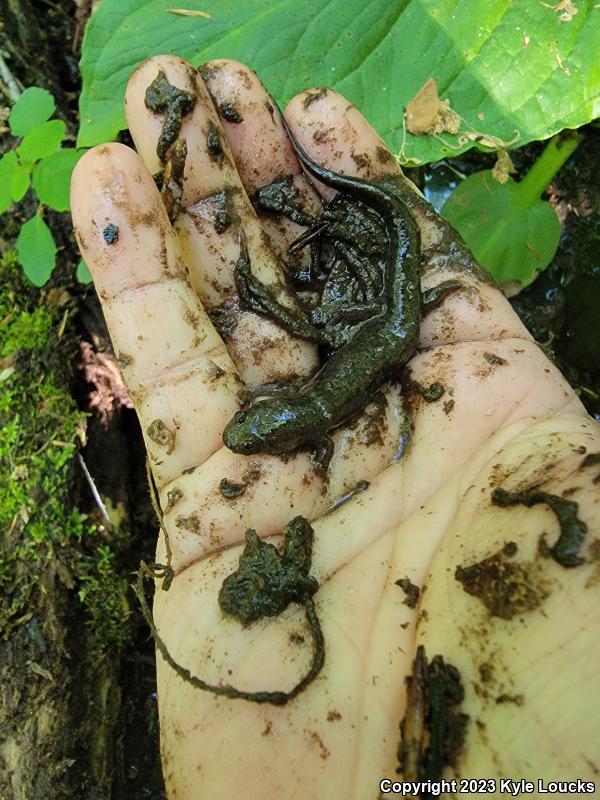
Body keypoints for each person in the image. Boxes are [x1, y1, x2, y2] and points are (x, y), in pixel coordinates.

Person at [71, 56, 600, 799]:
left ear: (284, 434)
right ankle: (358, 199)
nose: (248, 436)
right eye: (259, 432)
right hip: (377, 334)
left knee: (377, 287)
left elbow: (309, 410)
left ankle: (359, 196)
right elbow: (299, 412)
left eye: (256, 431)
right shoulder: (301, 415)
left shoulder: (306, 419)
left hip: (393, 329)